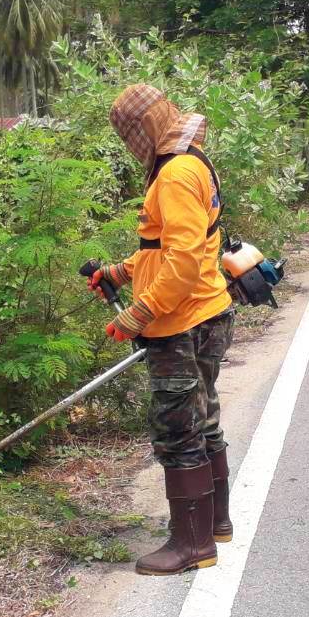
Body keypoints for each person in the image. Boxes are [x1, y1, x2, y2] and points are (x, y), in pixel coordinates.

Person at [86, 84, 237, 576]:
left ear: (142, 130)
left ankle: (190, 546)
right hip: (208, 311)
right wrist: (122, 271)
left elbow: (185, 261)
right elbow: (167, 247)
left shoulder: (173, 176)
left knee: (178, 430)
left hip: (181, 323)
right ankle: (215, 524)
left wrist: (140, 311)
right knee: (204, 418)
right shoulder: (193, 163)